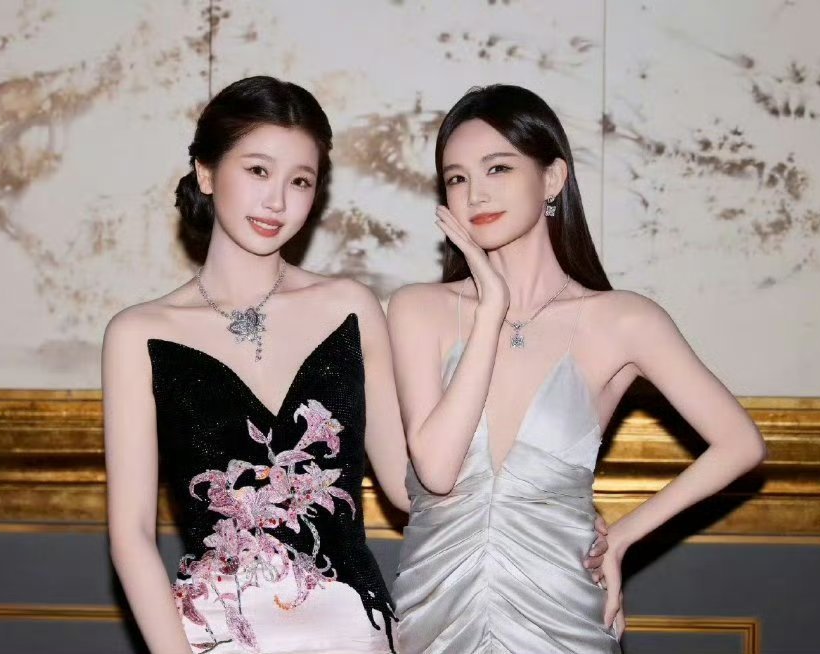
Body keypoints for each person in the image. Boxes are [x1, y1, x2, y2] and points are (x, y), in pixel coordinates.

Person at [388, 84, 767, 654]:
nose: (475, 193)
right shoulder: (419, 309)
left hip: (560, 618)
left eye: (498, 168)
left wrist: (623, 537)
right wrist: (490, 309)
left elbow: (740, 444)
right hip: (436, 624)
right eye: (457, 178)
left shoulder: (622, 320)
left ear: (553, 179)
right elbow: (438, 473)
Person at [102, 76, 410, 654]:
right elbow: (132, 536)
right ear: (206, 172)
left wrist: (538, 504)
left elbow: (408, 487)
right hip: (218, 636)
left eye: (300, 180)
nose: (277, 201)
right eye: (258, 171)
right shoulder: (139, 334)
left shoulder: (350, 307)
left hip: (353, 630)